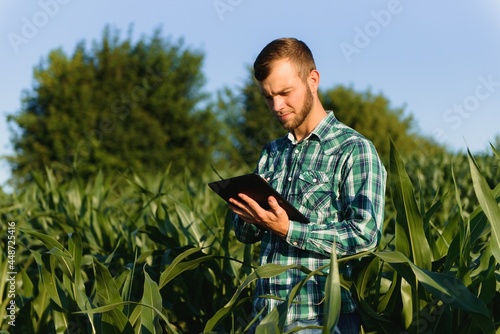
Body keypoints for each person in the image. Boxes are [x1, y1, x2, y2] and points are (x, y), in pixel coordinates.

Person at [229, 37, 387, 333]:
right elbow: (244, 233)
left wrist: (288, 229)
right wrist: (248, 215)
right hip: (264, 319)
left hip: (322, 321)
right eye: (268, 97)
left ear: (312, 80)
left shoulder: (353, 149)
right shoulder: (272, 153)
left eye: (285, 93)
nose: (277, 106)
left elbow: (365, 235)